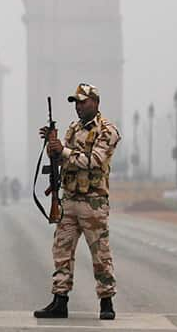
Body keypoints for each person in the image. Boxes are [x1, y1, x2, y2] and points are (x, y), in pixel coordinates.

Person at [34, 83, 121, 320]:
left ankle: (106, 302)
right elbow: (63, 159)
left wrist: (62, 150)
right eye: (76, 103)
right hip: (70, 200)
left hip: (93, 202)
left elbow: (95, 160)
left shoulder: (108, 131)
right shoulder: (73, 129)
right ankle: (59, 301)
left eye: (83, 102)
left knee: (100, 254)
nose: (79, 107)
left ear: (95, 102)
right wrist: (52, 146)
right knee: (61, 251)